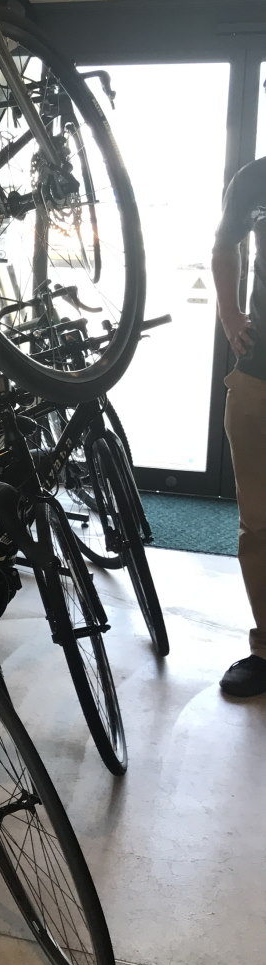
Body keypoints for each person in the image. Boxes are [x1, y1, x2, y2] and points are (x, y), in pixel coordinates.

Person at [213, 156, 266, 697]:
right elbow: (224, 245)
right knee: (260, 524)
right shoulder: (255, 178)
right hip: (259, 375)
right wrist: (230, 314)